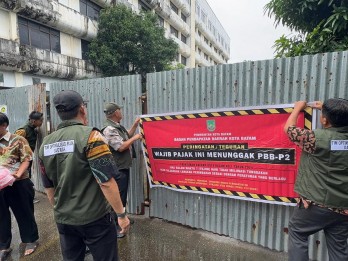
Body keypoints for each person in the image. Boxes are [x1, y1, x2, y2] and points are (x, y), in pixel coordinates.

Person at [38, 90, 129, 261]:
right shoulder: (91, 137)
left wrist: (61, 209)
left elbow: (48, 185)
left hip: (64, 219)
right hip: (95, 219)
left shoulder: (46, 143)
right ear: (82, 109)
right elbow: (106, 182)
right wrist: (121, 215)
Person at [284, 99, 348, 261]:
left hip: (315, 205)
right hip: (343, 208)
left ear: (324, 120)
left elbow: (289, 129)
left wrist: (297, 108)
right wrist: (327, 109)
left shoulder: (315, 139)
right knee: (339, 248)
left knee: (298, 232)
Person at [0, 113, 39, 261]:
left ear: (4, 126)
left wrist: (17, 174)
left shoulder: (18, 140)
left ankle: (30, 240)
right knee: (1, 216)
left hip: (19, 183)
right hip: (0, 185)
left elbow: (26, 159)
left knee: (24, 212)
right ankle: (4, 245)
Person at [102, 102, 142, 238]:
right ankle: (115, 226)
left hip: (123, 167)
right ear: (115, 113)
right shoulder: (109, 129)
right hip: (117, 168)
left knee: (123, 195)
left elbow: (126, 137)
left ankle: (122, 220)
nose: (121, 112)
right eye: (120, 110)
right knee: (117, 196)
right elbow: (120, 147)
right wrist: (136, 138)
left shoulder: (117, 127)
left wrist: (135, 125)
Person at [15, 111, 44, 203]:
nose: (42, 122)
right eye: (41, 120)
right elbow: (14, 145)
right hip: (22, 160)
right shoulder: (23, 130)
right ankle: (28, 198)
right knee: (24, 179)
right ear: (34, 121)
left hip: (27, 159)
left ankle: (26, 197)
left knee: (26, 177)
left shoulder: (34, 129)